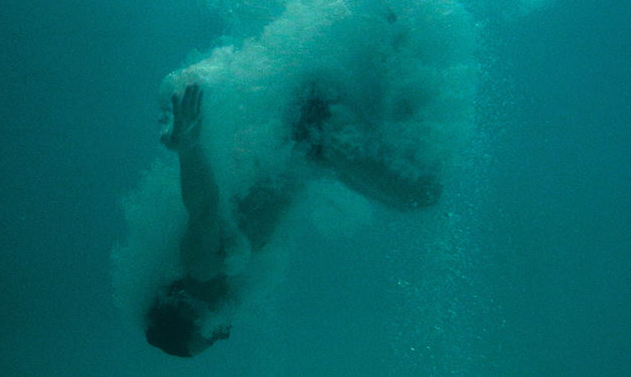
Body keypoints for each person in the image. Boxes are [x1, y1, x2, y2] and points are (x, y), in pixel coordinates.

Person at [144, 82, 442, 357]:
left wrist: (189, 149)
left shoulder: (202, 267)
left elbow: (203, 207)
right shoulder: (226, 271)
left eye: (210, 335)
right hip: (312, 142)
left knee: (419, 191)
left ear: (187, 312)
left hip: (308, 126)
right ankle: (400, 62)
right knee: (417, 191)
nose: (222, 330)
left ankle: (405, 58)